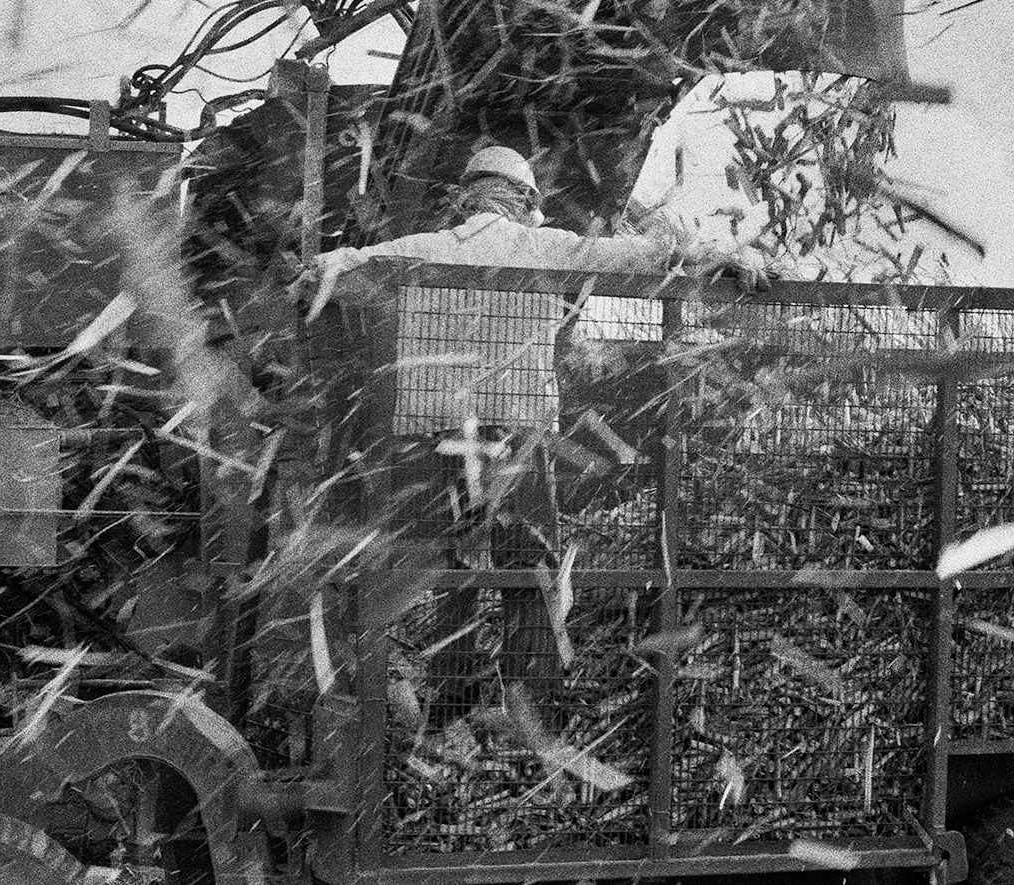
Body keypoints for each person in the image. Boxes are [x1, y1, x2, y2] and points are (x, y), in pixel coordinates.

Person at [311, 145, 763, 717]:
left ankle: (454, 696)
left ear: (464, 197)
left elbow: (339, 265)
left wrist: (333, 264)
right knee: (532, 571)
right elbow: (657, 257)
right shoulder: (548, 247)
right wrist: (724, 254)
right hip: (516, 442)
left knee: (450, 567)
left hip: (438, 440)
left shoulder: (416, 249)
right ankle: (530, 705)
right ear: (525, 201)